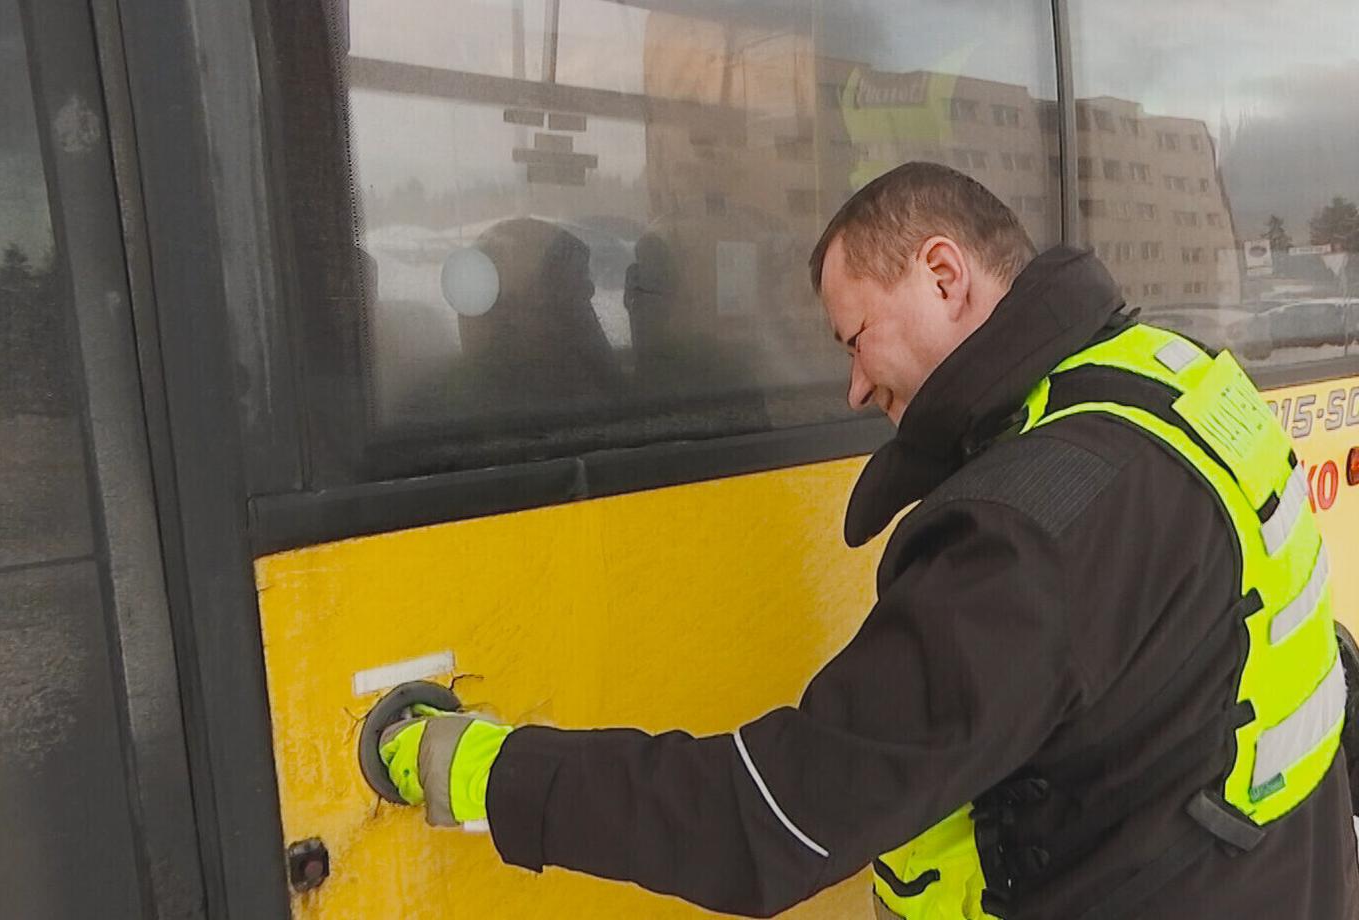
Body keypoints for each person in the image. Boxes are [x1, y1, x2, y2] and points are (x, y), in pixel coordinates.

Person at [375, 163, 1359, 919]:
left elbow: (767, 819)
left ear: (942, 274)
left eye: (852, 337)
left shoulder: (1032, 530)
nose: (851, 387)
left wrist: (482, 768)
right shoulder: (1168, 374)